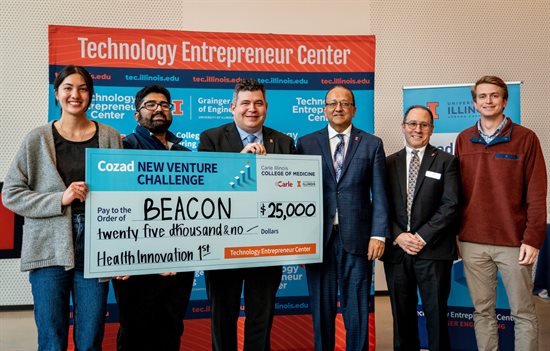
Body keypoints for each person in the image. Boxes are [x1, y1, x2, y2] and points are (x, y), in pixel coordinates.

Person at [2, 65, 121, 350]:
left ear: (91, 95)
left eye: (82, 88)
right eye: (68, 88)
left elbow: (122, 195)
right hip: (48, 248)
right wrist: (59, 200)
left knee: (90, 338)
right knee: (52, 337)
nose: (75, 94)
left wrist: (120, 253)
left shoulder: (110, 137)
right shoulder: (37, 139)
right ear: (56, 94)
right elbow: (11, 194)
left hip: (96, 248)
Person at [198, 78, 296, 351]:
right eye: (245, 103)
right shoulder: (211, 139)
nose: (252, 109)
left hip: (266, 247)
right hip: (223, 247)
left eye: (258, 103)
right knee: (223, 317)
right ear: (233, 107)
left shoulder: (285, 142)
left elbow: (294, 195)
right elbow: (205, 189)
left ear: (266, 107)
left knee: (261, 319)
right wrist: (239, 163)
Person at [456, 75, 547, 350]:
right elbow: (455, 195)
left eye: (494, 95)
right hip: (472, 242)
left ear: (505, 101)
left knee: (523, 313)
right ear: (474, 103)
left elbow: (537, 192)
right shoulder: (463, 140)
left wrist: (533, 239)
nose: (488, 101)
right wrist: (455, 236)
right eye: (482, 96)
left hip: (514, 243)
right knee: (482, 312)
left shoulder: (526, 139)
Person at [296, 85, 389, 350]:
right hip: (318, 241)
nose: (338, 108)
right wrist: (300, 244)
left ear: (354, 109)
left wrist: (378, 234)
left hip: (358, 240)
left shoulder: (371, 143)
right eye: (333, 103)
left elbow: (380, 193)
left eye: (345, 103)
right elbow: (297, 197)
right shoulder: (305, 143)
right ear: (324, 109)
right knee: (321, 310)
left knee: (357, 309)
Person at [111, 85, 195, 351]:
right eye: (150, 104)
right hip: (138, 265)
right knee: (136, 333)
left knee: (171, 331)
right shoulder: (123, 150)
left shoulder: (185, 155)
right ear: (137, 115)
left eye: (165, 104)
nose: (159, 108)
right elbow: (115, 209)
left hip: (179, 262)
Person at [382, 105, 460, 350]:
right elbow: (380, 206)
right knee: (401, 319)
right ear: (403, 127)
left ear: (432, 129)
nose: (418, 129)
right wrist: (398, 236)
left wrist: (421, 236)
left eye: (424, 125)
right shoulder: (387, 163)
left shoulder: (447, 162)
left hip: (434, 251)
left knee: (436, 316)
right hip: (397, 252)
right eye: (413, 124)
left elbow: (451, 205)